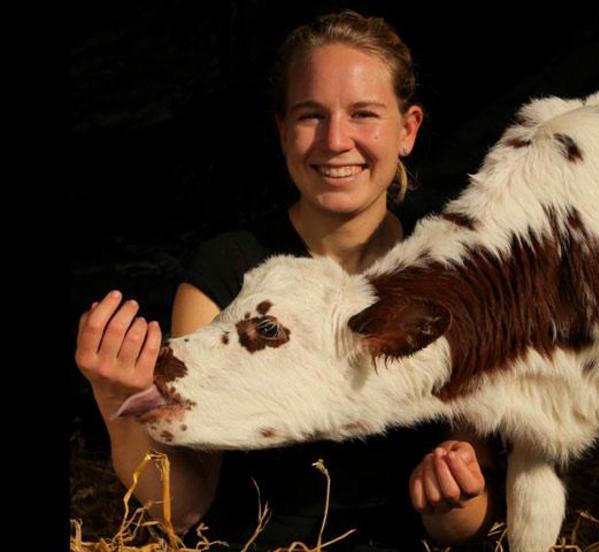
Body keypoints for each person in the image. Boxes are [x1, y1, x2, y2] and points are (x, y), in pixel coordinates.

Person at [75, 10, 500, 550]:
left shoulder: (452, 281)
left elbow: (465, 526)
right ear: (282, 131)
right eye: (310, 116)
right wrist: (118, 402)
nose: (336, 140)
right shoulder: (227, 270)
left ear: (408, 128)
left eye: (364, 114)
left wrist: (455, 497)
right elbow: (183, 508)